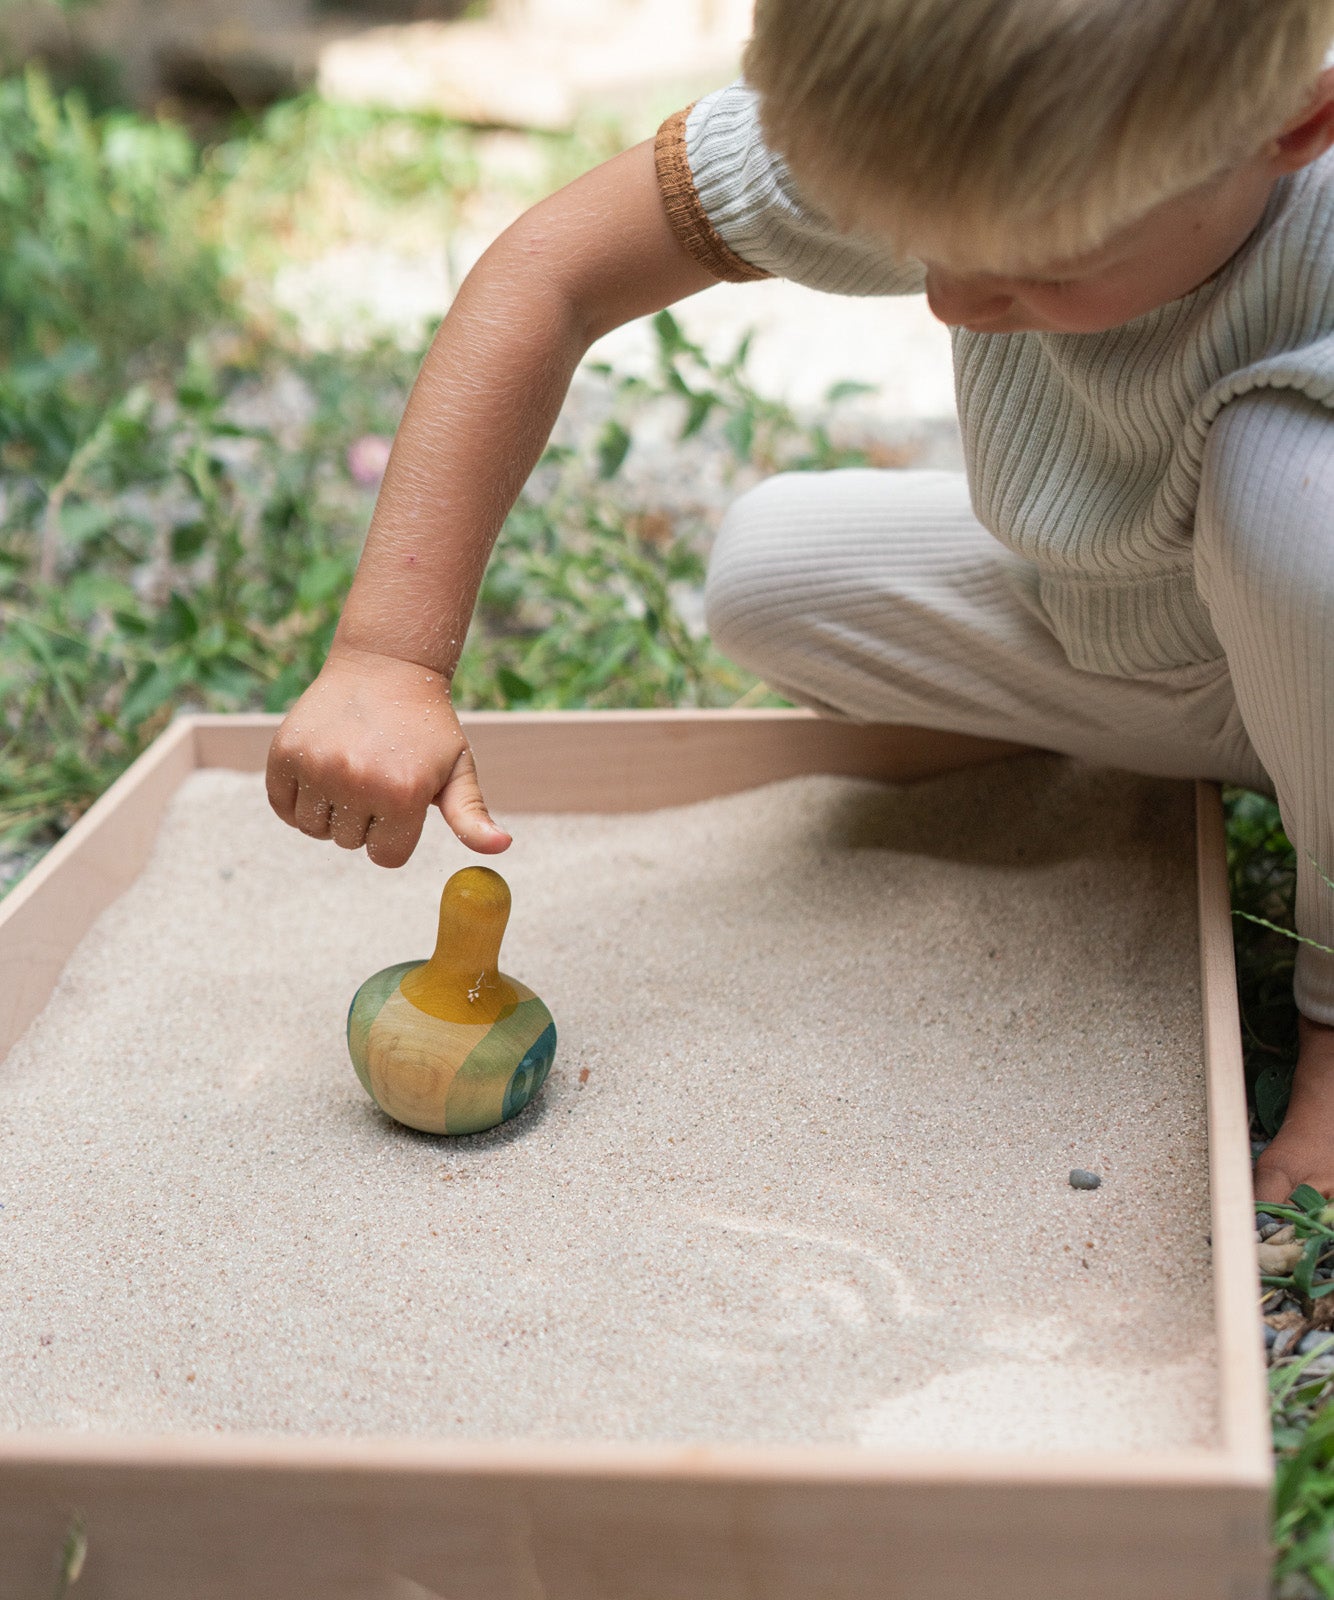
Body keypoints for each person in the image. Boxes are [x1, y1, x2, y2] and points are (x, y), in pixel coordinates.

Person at [266, 0, 1334, 1204]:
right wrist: (388, 655)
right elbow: (552, 271)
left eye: (1041, 268)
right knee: (769, 571)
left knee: (1290, 493)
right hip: (1170, 632)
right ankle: (1230, 753)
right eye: (913, 239)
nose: (948, 304)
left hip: (1308, 593)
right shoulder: (949, 118)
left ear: (1293, 123)